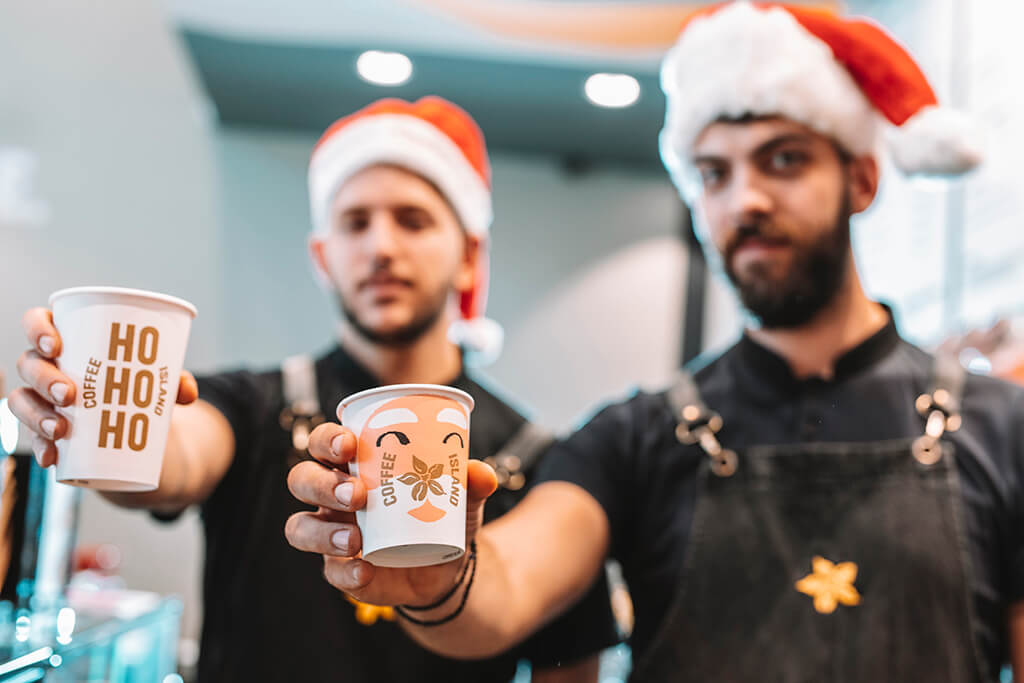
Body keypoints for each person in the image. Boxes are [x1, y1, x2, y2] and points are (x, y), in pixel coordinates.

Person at [284, 4, 1024, 681]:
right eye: (714, 172)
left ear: (862, 178)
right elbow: (507, 585)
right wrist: (441, 581)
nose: (746, 199)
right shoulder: (634, 437)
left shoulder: (1003, 429)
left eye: (784, 159)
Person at [10, 97, 618, 681]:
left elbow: (568, 664)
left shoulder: (538, 458)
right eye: (356, 223)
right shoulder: (253, 405)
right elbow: (177, 455)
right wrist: (87, 416)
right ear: (323, 258)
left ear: (468, 257)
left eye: (413, 220)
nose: (381, 247)